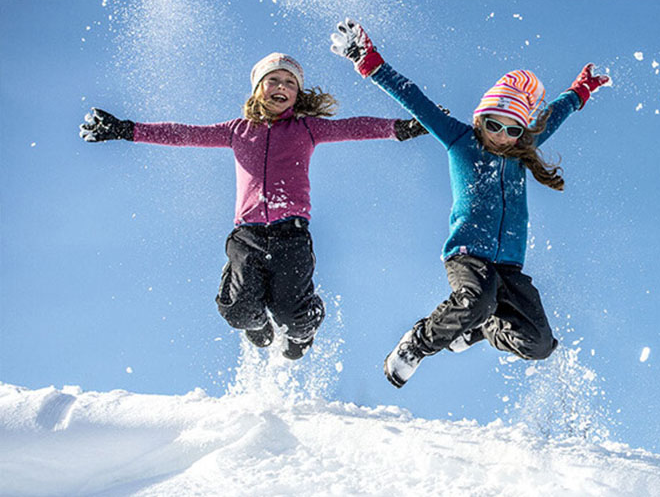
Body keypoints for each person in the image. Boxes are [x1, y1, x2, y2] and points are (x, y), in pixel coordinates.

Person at [79, 52, 429, 360]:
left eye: (289, 82)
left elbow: (354, 127)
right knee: (239, 311)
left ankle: (304, 330)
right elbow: (184, 133)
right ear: (258, 88)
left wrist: (404, 128)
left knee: (293, 314)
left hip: (291, 236)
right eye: (273, 79)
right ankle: (256, 325)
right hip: (247, 236)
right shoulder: (237, 131)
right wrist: (126, 129)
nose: (281, 86)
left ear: (298, 93)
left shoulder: (305, 129)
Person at [329, 19, 609, 387]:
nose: (503, 136)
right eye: (495, 125)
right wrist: (370, 62)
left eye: (513, 131)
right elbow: (416, 99)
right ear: (481, 119)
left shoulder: (521, 153)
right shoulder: (461, 140)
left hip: (509, 267)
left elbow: (550, 117)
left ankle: (478, 329)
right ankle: (418, 343)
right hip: (469, 254)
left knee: (540, 344)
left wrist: (579, 92)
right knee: (476, 299)